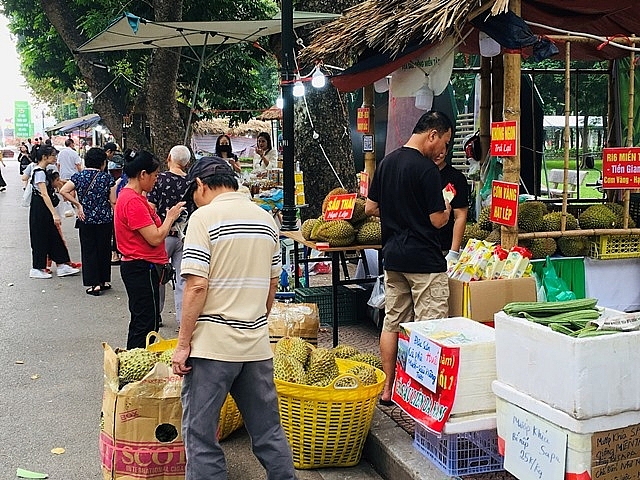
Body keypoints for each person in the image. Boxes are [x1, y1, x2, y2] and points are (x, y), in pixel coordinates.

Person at [171, 157, 297, 480]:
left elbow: (196, 285)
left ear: (200, 185)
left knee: (200, 436)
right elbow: (272, 284)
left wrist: (183, 344)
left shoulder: (203, 219)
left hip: (212, 348)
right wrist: (253, 321)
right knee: (268, 432)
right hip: (256, 348)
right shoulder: (266, 219)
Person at [364, 110, 453, 405]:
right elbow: (438, 220)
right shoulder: (426, 170)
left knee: (392, 322)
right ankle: (421, 394)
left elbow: (370, 208)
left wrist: (396, 211)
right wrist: (448, 211)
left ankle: (389, 389)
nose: (444, 150)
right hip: (425, 261)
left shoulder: (387, 162)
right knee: (429, 328)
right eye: (445, 143)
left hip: (394, 258)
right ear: (432, 135)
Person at [113, 149, 185, 349]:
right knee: (145, 322)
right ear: (142, 174)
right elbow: (154, 237)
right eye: (154, 176)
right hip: (140, 267)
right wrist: (170, 217)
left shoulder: (135, 197)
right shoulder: (132, 201)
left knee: (146, 320)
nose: (156, 180)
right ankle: (134, 364)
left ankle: (139, 361)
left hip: (142, 266)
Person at [60, 147, 116, 296]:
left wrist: (78, 205)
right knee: (104, 249)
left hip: (86, 218)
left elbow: (63, 190)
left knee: (89, 250)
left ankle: (94, 284)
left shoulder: (78, 177)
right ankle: (104, 280)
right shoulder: (107, 178)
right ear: (103, 163)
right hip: (104, 219)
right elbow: (113, 201)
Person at [147, 145, 191, 331]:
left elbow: (151, 206)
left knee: (159, 277)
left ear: (168, 158)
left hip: (162, 234)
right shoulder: (191, 182)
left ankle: (156, 315)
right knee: (183, 279)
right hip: (185, 235)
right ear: (187, 163)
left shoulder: (159, 179)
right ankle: (183, 320)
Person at [28, 145, 80, 279]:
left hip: (42, 209)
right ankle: (37, 267)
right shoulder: (39, 172)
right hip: (40, 210)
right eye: (53, 155)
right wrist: (54, 214)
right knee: (41, 238)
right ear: (45, 157)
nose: (55, 157)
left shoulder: (43, 171)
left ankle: (62, 264)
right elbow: (44, 194)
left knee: (53, 236)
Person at [434, 153, 469, 264]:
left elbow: (460, 216)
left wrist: (453, 252)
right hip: (417, 246)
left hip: (444, 245)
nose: (438, 154)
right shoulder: (417, 174)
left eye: (442, 151)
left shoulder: (456, 178)